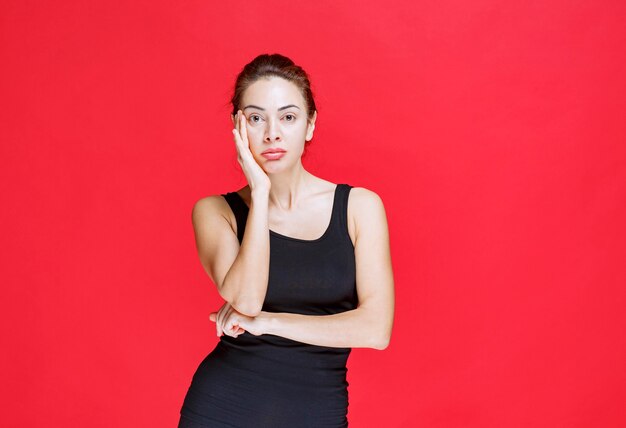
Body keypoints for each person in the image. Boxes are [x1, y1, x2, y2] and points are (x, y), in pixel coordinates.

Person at [178, 53, 395, 428]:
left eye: (288, 117)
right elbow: (245, 299)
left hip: (316, 412)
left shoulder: (359, 207)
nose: (271, 133)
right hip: (221, 409)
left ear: (310, 125)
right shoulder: (217, 212)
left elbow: (376, 330)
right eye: (256, 118)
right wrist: (260, 193)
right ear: (237, 127)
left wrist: (268, 323)